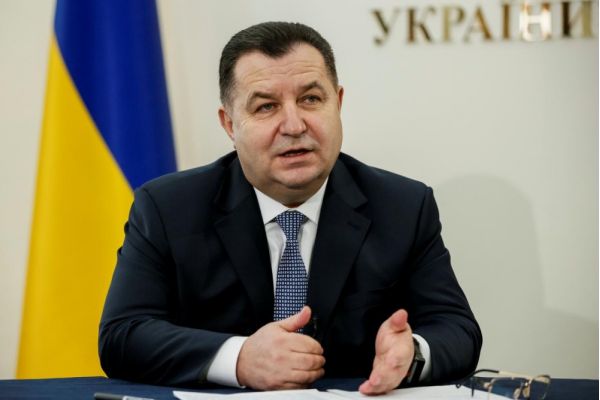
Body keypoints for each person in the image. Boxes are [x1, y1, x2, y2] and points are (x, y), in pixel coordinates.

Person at [99, 21, 482, 395]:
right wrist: (239, 358)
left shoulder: (402, 206)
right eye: (266, 106)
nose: (294, 125)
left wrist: (412, 353)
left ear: (338, 103)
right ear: (230, 125)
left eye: (311, 99)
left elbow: (457, 329)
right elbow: (123, 334)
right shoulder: (168, 208)